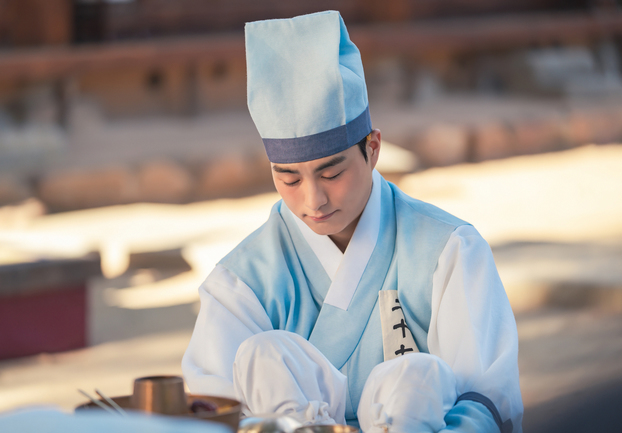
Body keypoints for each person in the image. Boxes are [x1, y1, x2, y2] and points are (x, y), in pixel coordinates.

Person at [182, 10, 523, 433]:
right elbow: (211, 413)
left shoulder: (448, 250)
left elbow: (488, 397)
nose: (313, 199)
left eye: (331, 173)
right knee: (264, 355)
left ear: (373, 148)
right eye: (288, 177)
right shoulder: (242, 282)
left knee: (415, 377)